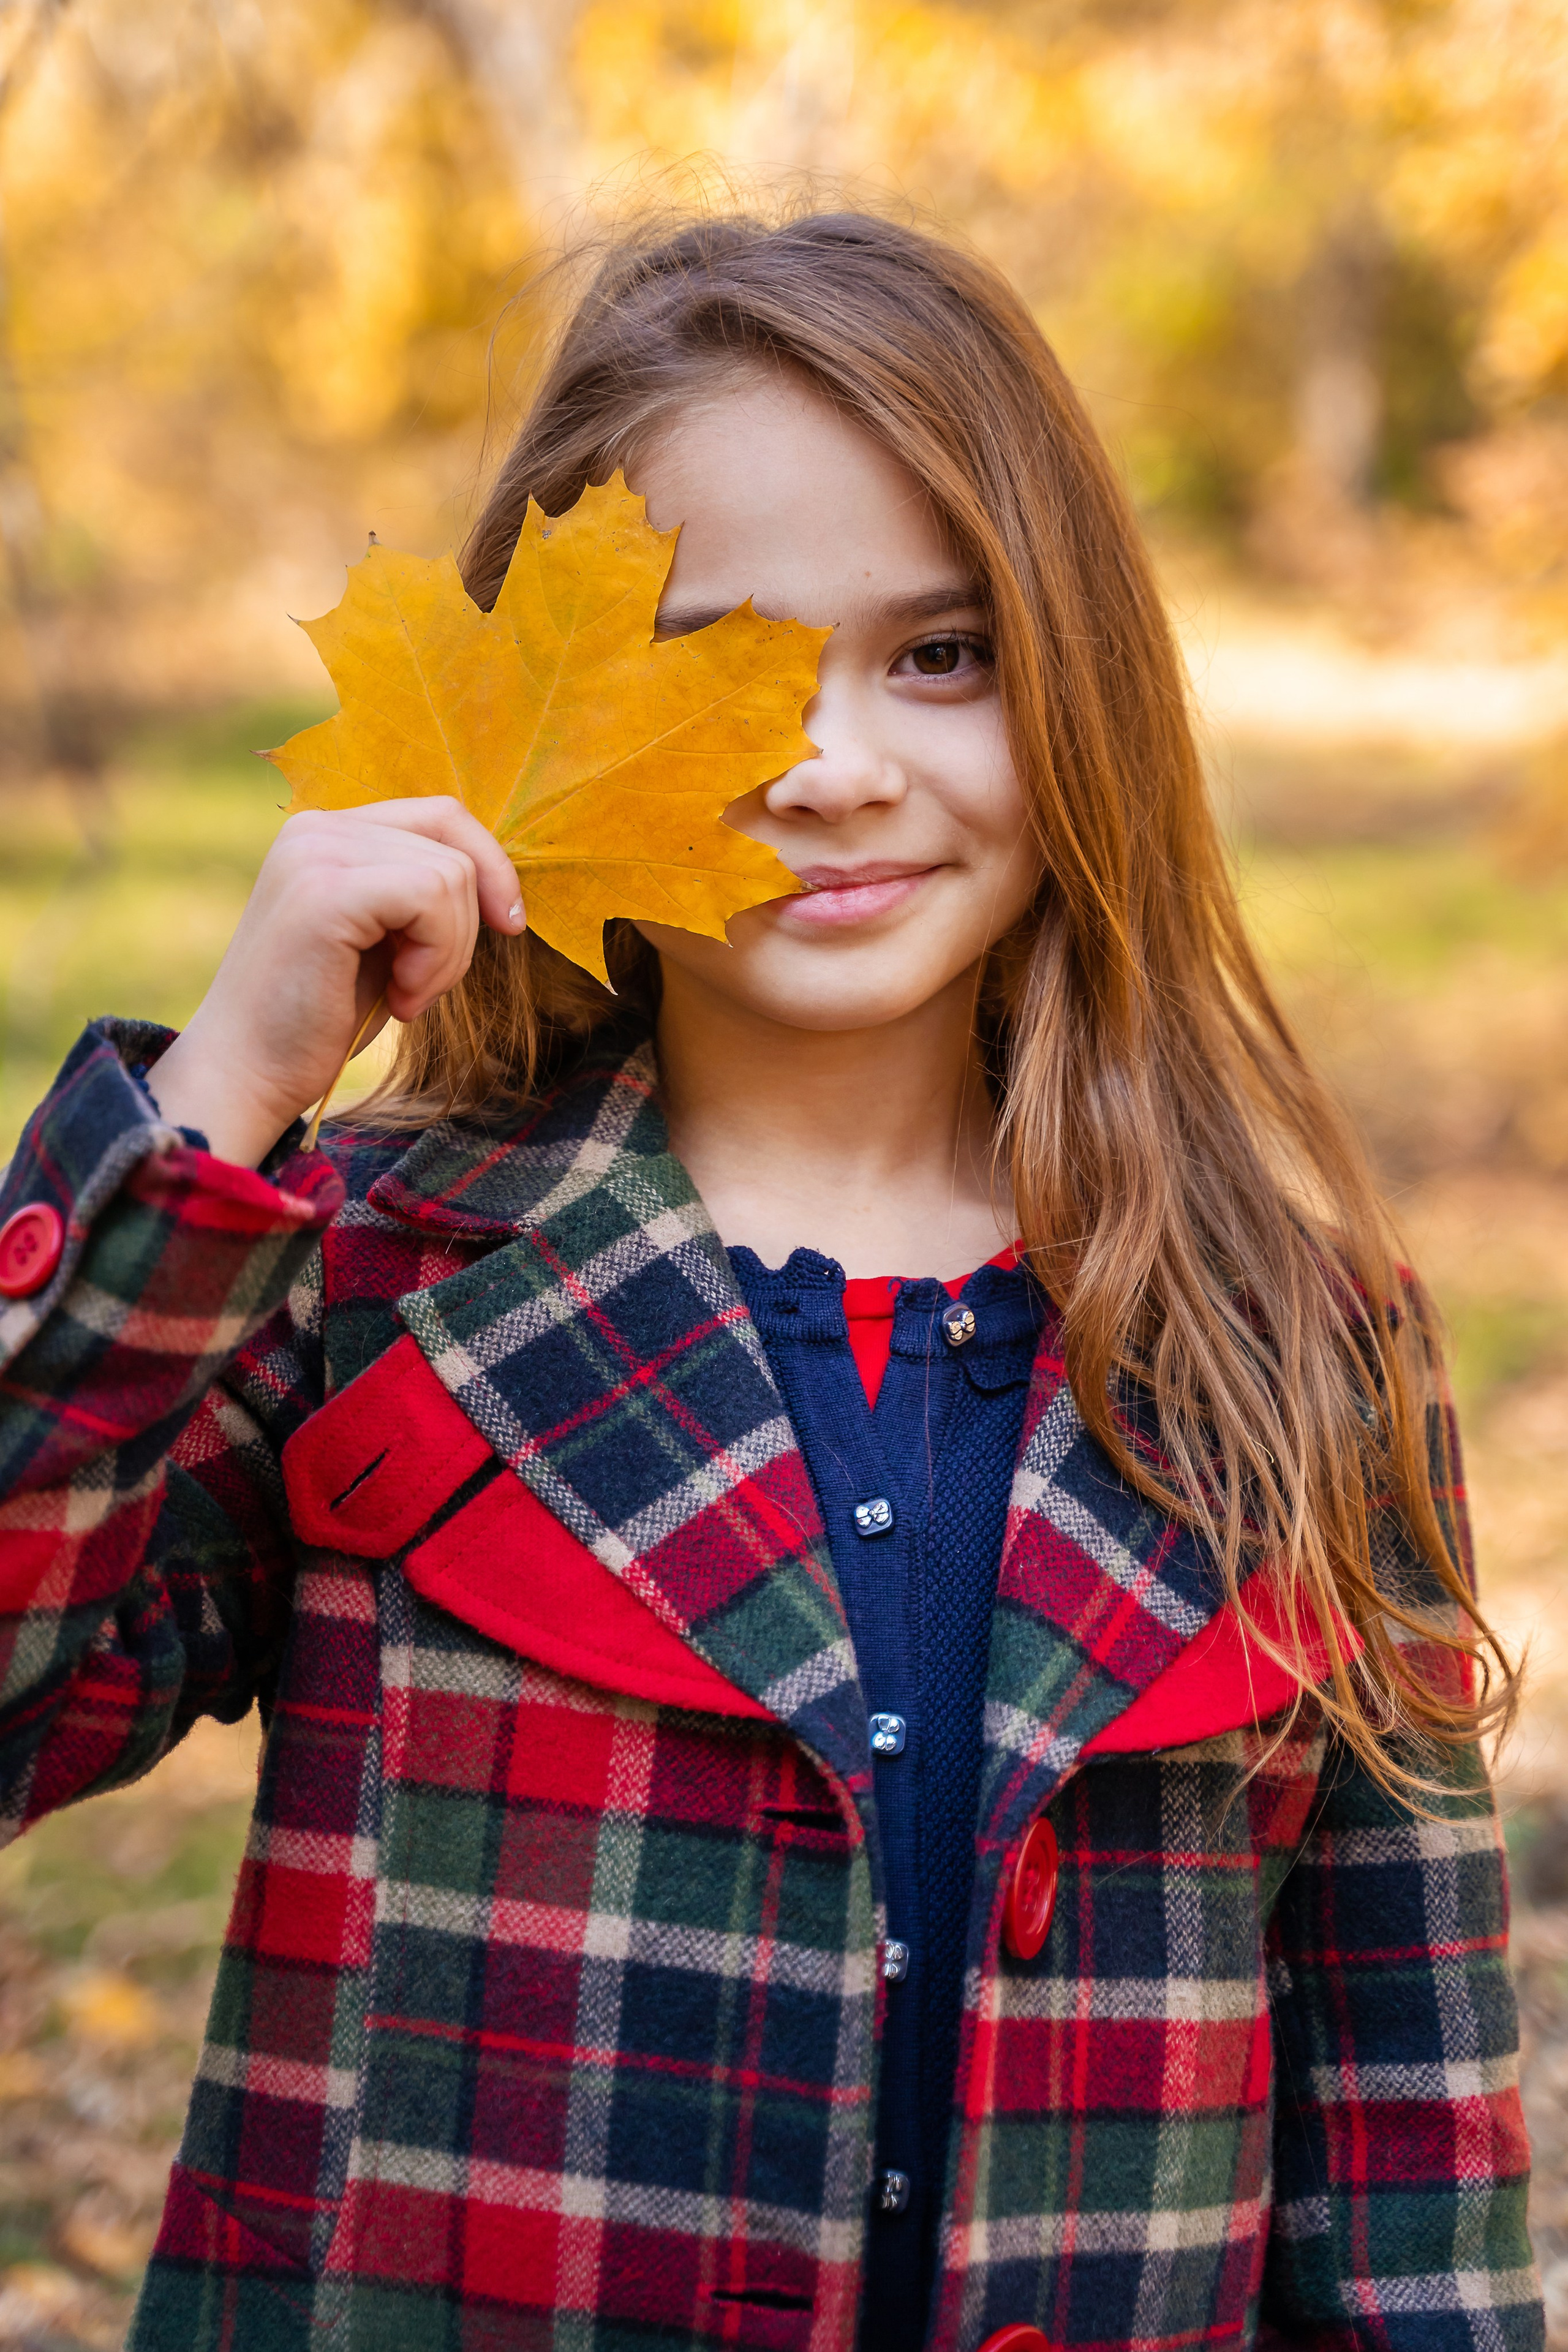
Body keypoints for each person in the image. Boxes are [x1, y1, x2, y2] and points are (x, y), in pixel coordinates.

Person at [0, 209, 1541, 2352]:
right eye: (718, 672)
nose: (832, 765)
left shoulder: (1296, 1346)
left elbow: (1415, 2180)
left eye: (942, 654)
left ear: (1079, 681)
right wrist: (221, 1103)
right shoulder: (365, 1275)